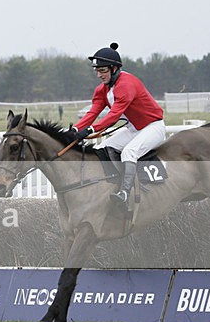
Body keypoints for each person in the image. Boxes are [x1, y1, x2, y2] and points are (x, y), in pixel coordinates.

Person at [70, 43, 166, 209]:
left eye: (102, 70)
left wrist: (91, 130)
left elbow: (113, 115)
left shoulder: (126, 85)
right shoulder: (101, 90)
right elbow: (92, 113)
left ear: (114, 68)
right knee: (101, 148)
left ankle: (125, 193)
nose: (99, 75)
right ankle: (109, 184)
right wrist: (75, 129)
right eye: (97, 71)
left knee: (129, 152)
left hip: (153, 127)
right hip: (134, 129)